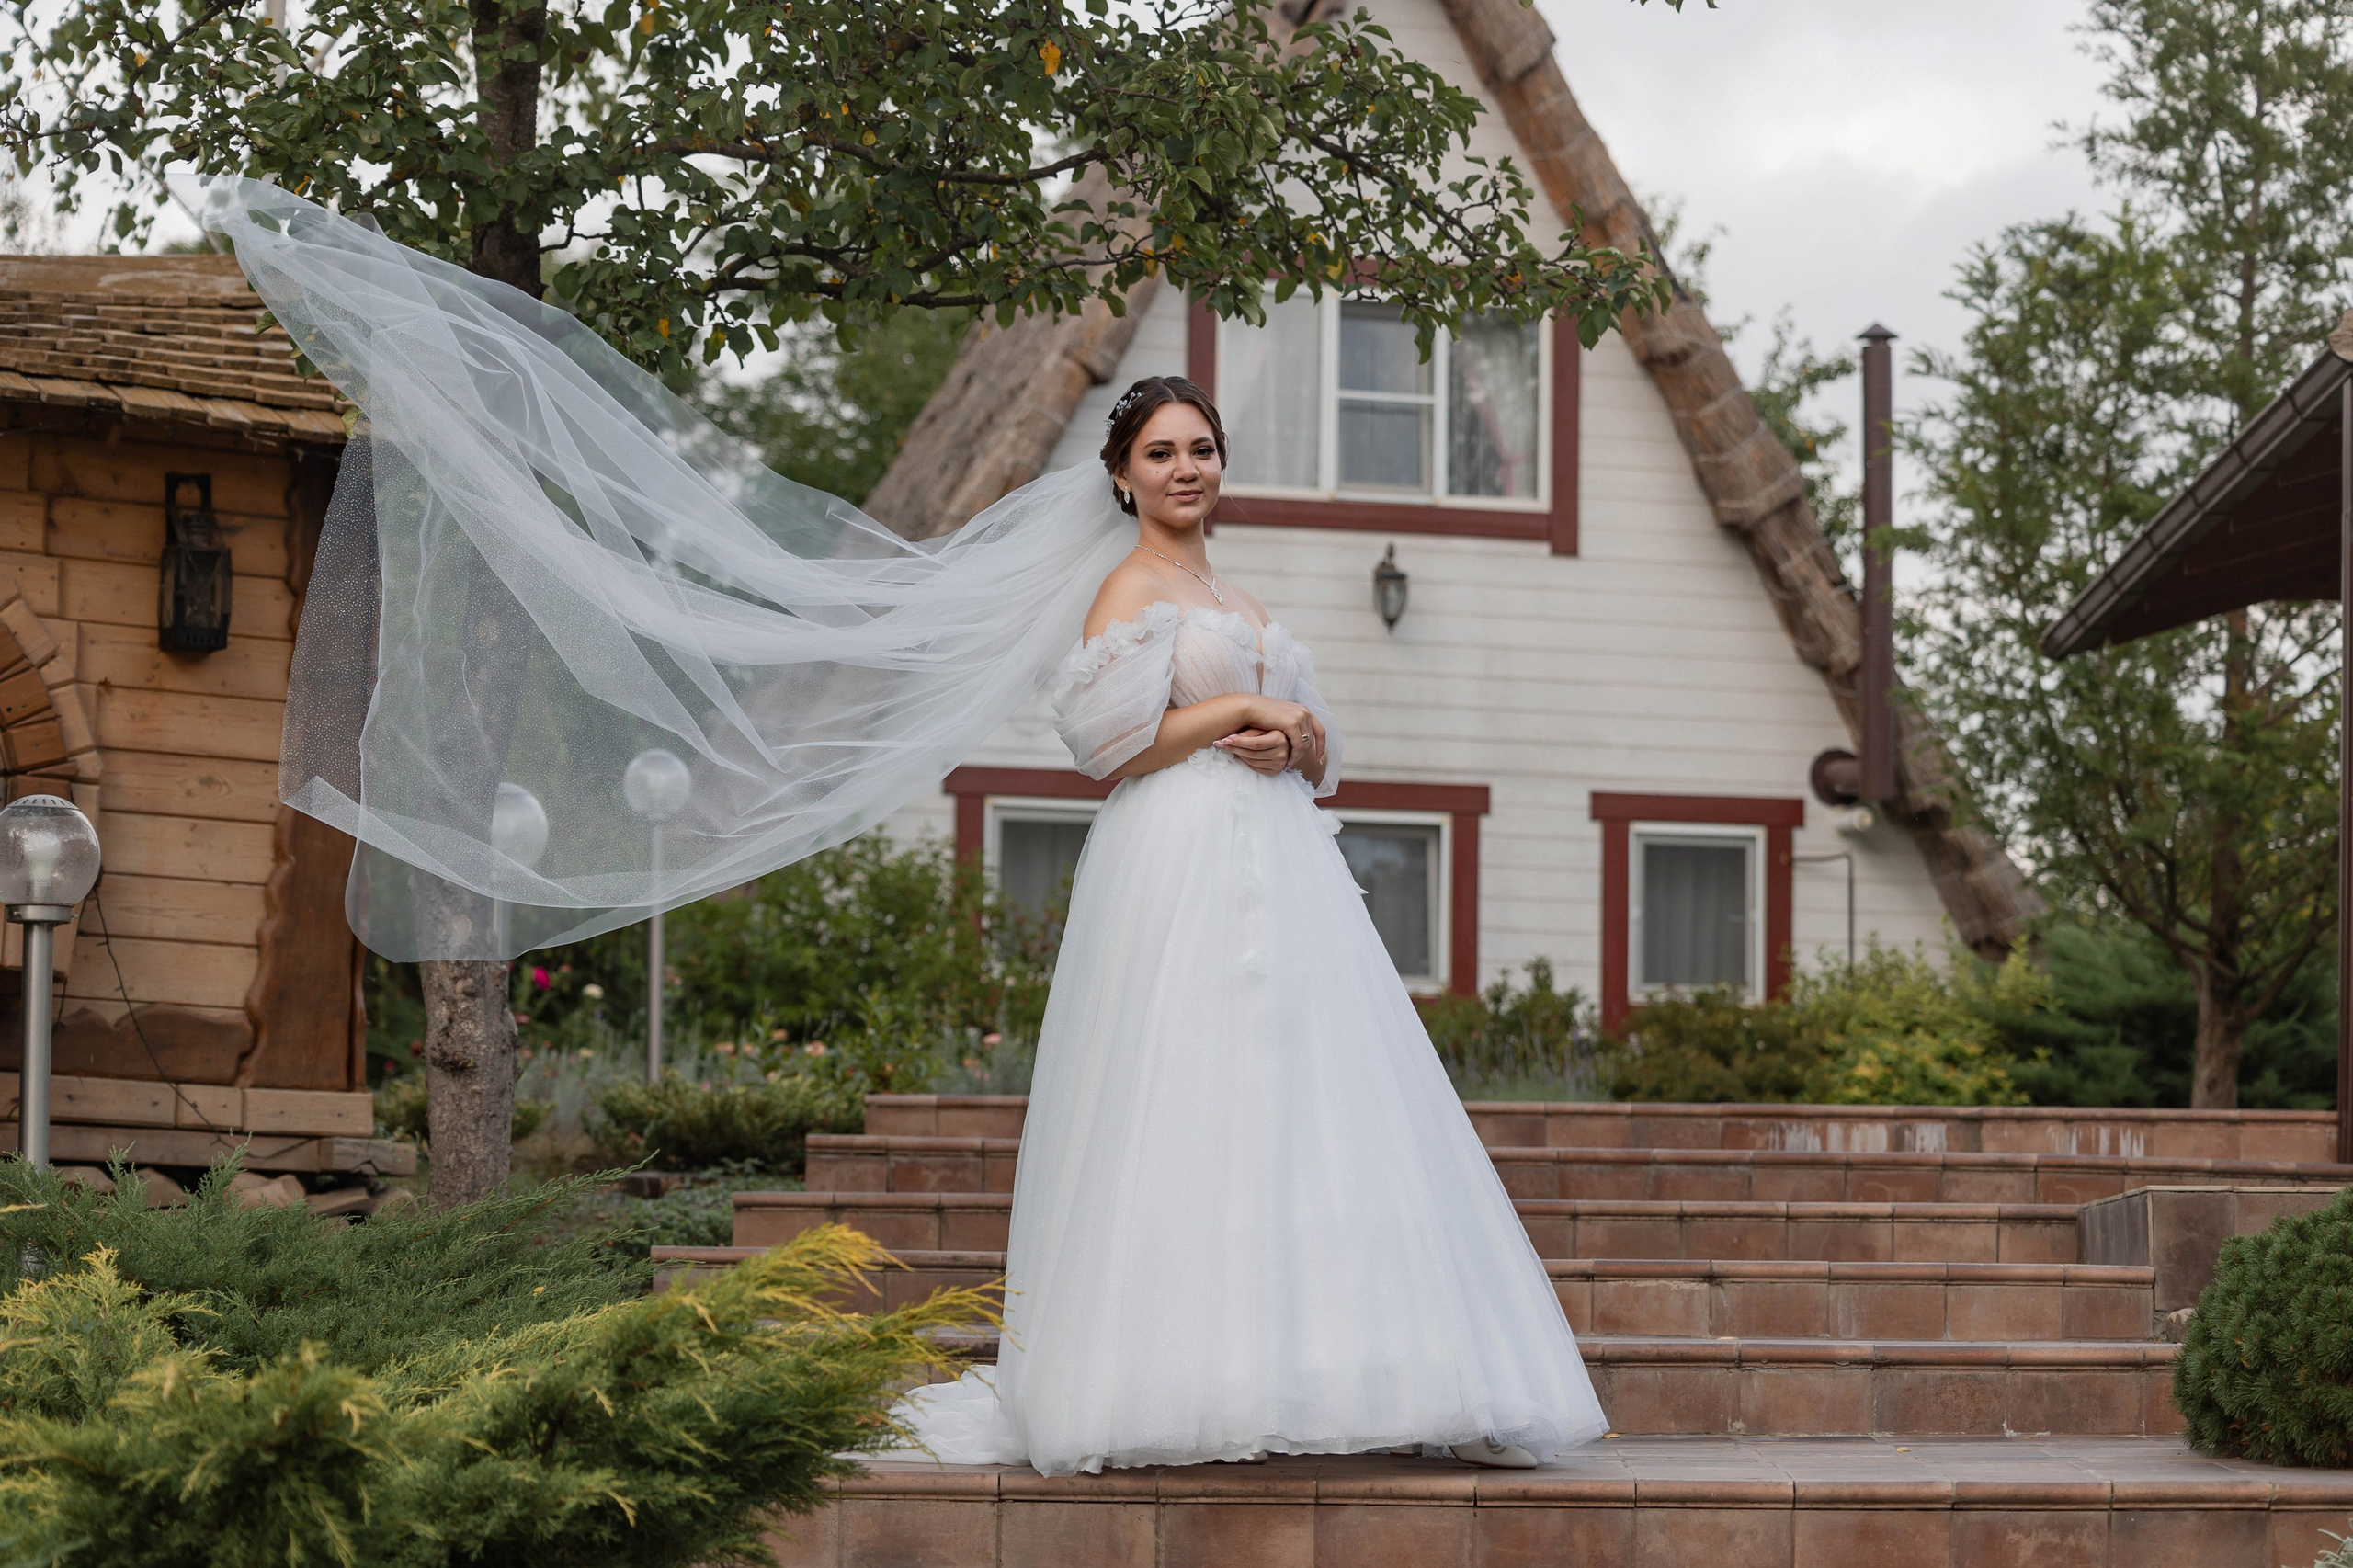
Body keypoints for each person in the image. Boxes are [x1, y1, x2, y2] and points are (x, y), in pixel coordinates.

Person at [890, 376, 1608, 1477]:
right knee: (1192, 1087)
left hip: (1285, 859)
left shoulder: (1233, 590)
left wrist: (1297, 739)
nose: (1186, 468)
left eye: (1202, 448)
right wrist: (1237, 707)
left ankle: (1348, 1368)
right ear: (1122, 477)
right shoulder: (1129, 587)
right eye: (1161, 452)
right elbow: (1106, 743)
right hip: (1179, 858)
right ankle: (1176, 1377)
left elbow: (1318, 749)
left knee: (1316, 1099)